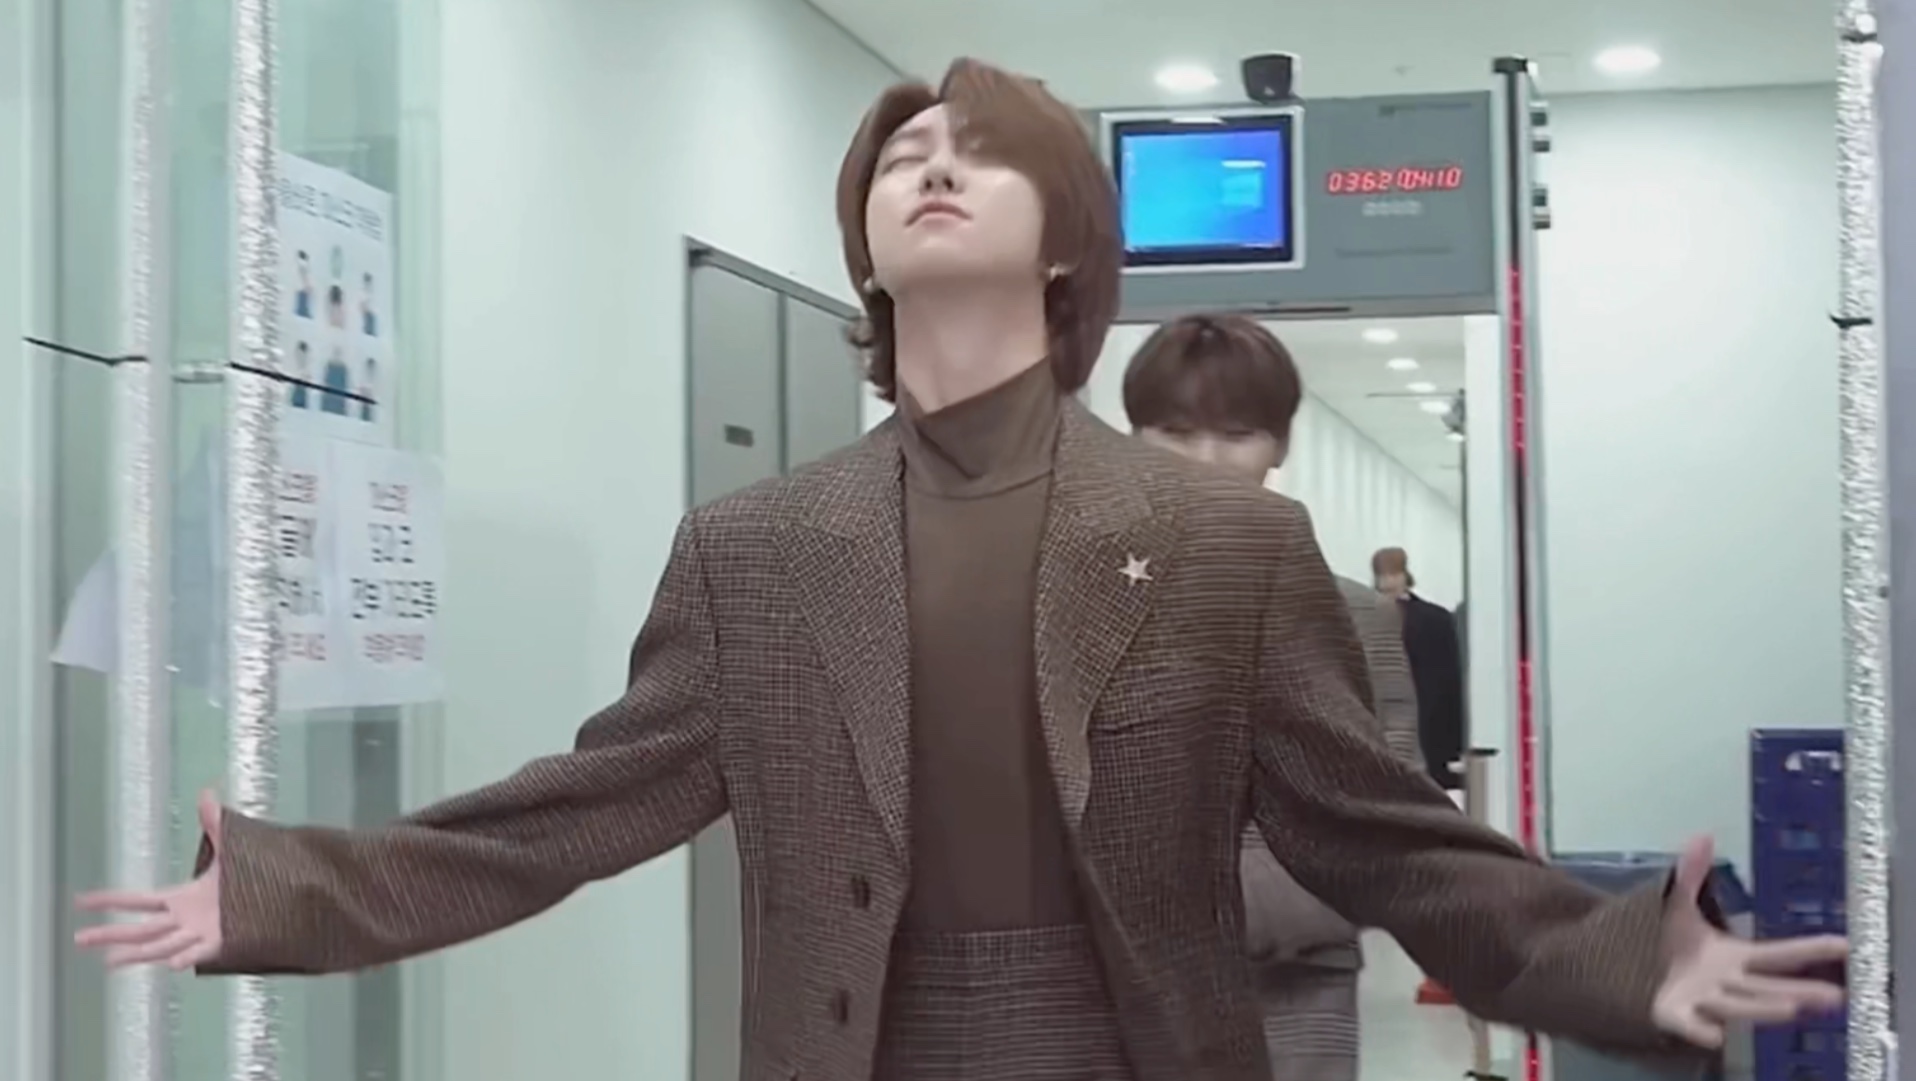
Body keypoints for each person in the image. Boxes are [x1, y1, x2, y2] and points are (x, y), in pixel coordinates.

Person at [76, 57, 1844, 1081]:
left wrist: (1621, 959)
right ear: (862, 241)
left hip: (1135, 1045)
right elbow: (573, 811)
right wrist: (284, 892)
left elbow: (1382, 836)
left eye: (982, 153)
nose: (933, 167)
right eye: (905, 156)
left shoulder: (1225, 543)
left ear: (1069, 243)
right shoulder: (757, 549)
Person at [1122, 312, 1422, 1081]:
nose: (1205, 461)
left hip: (1294, 984)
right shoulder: (1074, 599)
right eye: (1175, 432)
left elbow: (1392, 816)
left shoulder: (1354, 615)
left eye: (1237, 434)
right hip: (1106, 992)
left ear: (1280, 445)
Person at [1374, 546, 1467, 790]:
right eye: (1383, 575)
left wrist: (1454, 743)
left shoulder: (1436, 619)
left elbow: (1450, 681)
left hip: (1428, 726)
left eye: (1393, 574)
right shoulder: (1360, 617)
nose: (1388, 582)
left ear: (1405, 575)